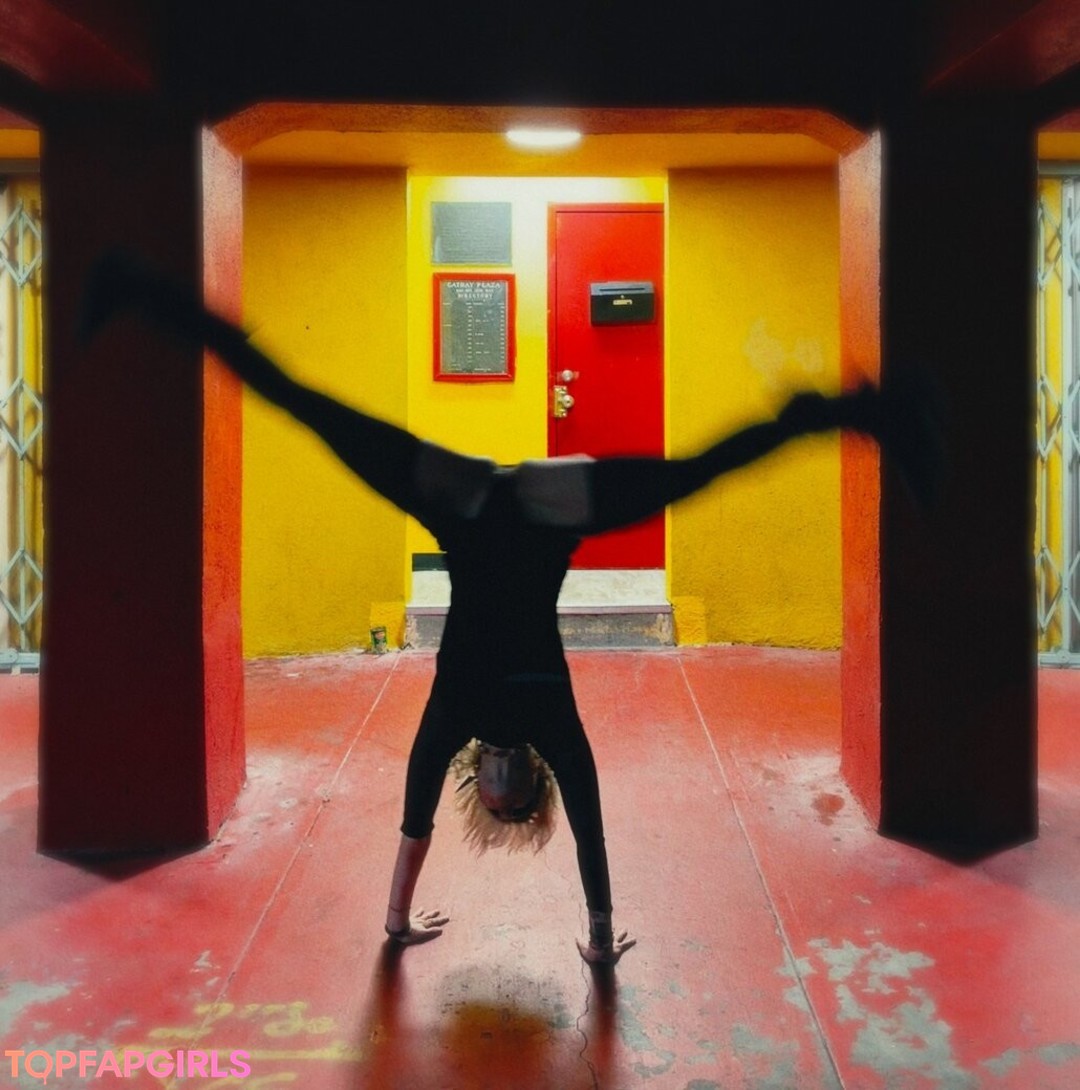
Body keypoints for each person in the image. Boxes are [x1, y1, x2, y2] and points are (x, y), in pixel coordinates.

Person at [80, 253, 936, 965]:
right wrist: (598, 938)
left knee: (303, 404)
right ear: (532, 785)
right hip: (550, 509)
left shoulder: (450, 718)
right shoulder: (553, 725)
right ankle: (852, 412)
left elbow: (415, 822)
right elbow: (591, 832)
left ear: (477, 783)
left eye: (490, 799)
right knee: (700, 471)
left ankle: (144, 293)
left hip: (457, 502)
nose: (501, 788)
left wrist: (395, 923)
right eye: (517, 800)